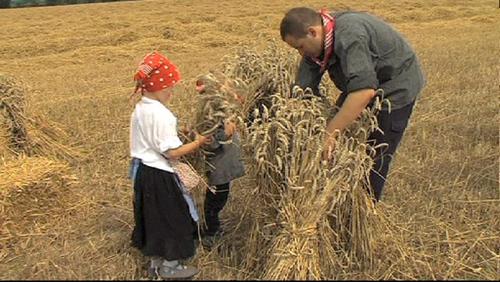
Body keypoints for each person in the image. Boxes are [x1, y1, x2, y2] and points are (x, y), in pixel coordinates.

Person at [280, 7, 425, 202]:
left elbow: (364, 92)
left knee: (375, 153)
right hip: (361, 84)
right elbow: (302, 90)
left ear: (312, 32)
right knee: (341, 135)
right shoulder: (319, 41)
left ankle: (364, 209)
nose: (300, 53)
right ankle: (337, 198)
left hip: (396, 85)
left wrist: (329, 133)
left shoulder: (350, 35)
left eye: (300, 46)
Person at [129, 51, 212, 279]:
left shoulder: (141, 109)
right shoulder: (160, 114)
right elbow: (172, 152)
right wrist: (198, 142)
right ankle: (170, 266)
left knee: (154, 218)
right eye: (168, 87)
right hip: (161, 176)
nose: (171, 91)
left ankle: (156, 262)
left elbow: (155, 140)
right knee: (173, 219)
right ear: (155, 86)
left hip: (144, 174)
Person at [193, 74, 246, 246]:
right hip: (219, 167)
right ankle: (210, 232)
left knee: (220, 196)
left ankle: (211, 227)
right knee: (216, 200)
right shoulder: (209, 114)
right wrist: (226, 134)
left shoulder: (220, 108)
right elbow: (209, 142)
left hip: (225, 165)